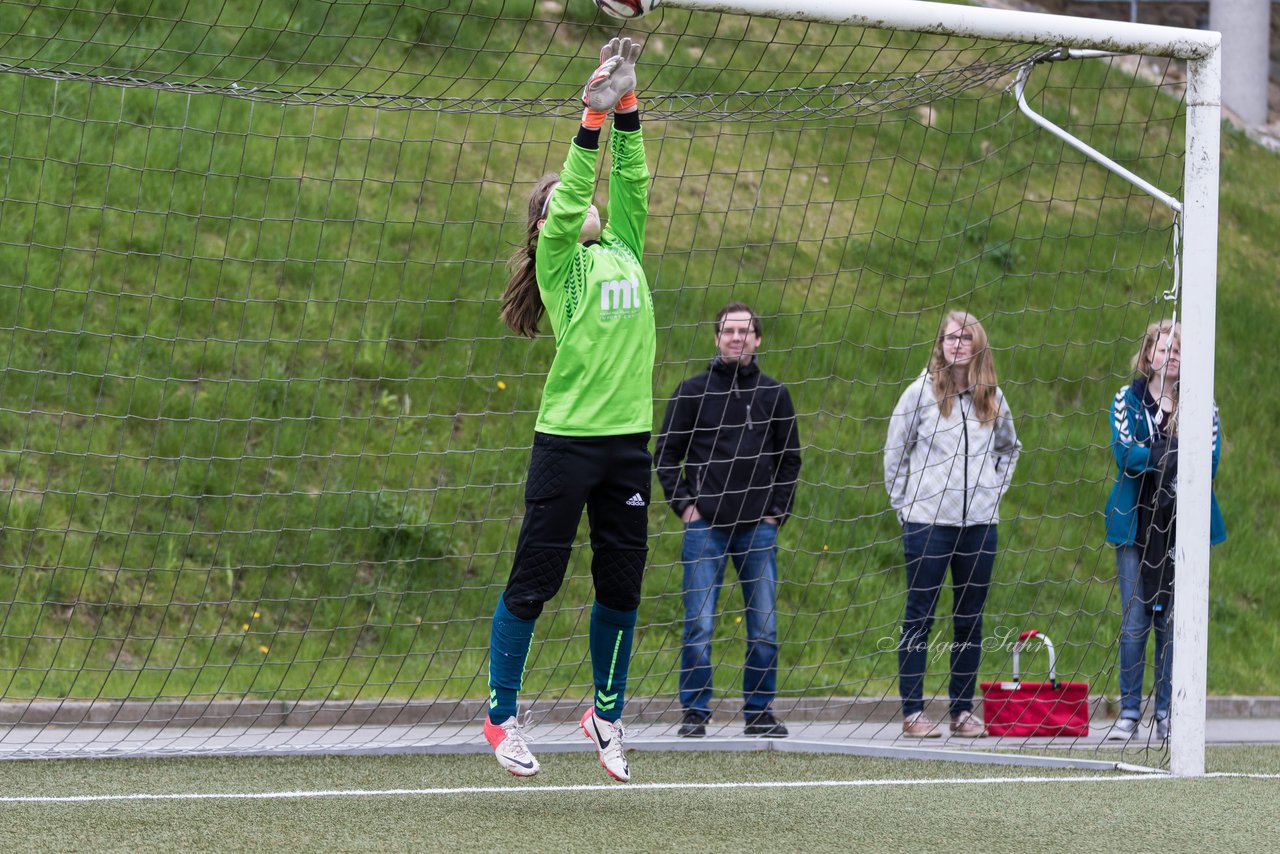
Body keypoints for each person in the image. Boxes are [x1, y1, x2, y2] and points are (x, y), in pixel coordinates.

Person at [484, 37, 651, 782]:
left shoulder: (626, 245)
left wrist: (628, 106)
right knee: (535, 580)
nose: (576, 202)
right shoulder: (562, 260)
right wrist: (589, 116)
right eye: (559, 201)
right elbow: (578, 184)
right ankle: (500, 715)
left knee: (621, 586)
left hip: (628, 445)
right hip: (568, 443)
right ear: (544, 223)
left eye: (579, 196)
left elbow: (634, 182)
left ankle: (604, 714)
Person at [655, 302, 802, 738]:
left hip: (758, 527)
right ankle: (695, 714)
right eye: (728, 331)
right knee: (698, 625)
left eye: (745, 331)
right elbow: (665, 454)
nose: (737, 338)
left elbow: (789, 460)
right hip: (706, 528)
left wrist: (777, 512)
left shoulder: (775, 395)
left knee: (765, 626)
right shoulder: (691, 392)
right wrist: (685, 506)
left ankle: (759, 713)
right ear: (716, 338)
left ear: (758, 339)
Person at [883, 311, 1021, 739]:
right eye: (949, 337)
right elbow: (895, 453)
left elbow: (1010, 449)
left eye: (965, 338)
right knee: (919, 617)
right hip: (928, 524)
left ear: (978, 344)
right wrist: (906, 506)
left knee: (969, 619)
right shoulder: (919, 394)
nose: (956, 344)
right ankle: (912, 712)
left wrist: (990, 494)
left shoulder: (992, 398)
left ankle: (961, 711)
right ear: (939, 343)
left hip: (979, 526)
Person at [1104, 318, 1225, 742]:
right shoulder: (1126, 399)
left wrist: (1156, 454)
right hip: (1135, 523)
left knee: (1173, 623)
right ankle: (1129, 713)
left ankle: (1168, 713)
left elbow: (1206, 464)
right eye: (1163, 348)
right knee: (1135, 619)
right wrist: (1172, 453)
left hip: (1183, 528)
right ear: (1148, 355)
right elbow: (1125, 455)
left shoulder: (1202, 405)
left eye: (1178, 350)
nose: (1170, 355)